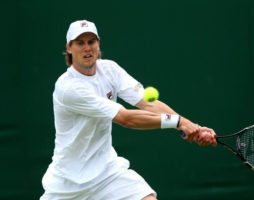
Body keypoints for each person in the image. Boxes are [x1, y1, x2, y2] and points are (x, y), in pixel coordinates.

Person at [40, 20, 217, 200]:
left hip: (107, 173)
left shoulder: (110, 69)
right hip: (68, 183)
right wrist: (177, 122)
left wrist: (189, 125)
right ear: (69, 48)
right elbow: (126, 119)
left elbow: (149, 103)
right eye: (80, 43)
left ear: (98, 44)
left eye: (91, 42)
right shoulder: (69, 88)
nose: (87, 48)